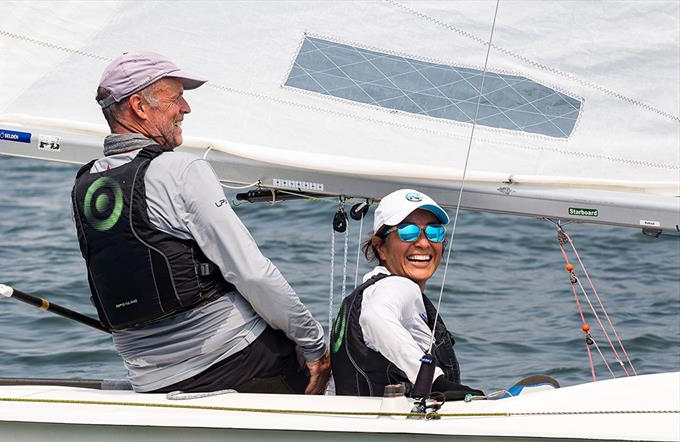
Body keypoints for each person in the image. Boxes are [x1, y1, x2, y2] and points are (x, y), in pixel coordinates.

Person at [71, 51, 330, 394]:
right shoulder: (179, 170)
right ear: (139, 106)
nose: (186, 108)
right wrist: (313, 344)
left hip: (150, 380)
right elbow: (251, 273)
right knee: (330, 369)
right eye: (176, 98)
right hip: (238, 362)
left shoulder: (85, 184)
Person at [330, 189, 482, 401]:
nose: (423, 242)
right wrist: (433, 381)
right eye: (407, 232)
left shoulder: (368, 293)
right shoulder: (399, 286)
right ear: (380, 247)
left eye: (434, 232)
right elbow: (375, 317)